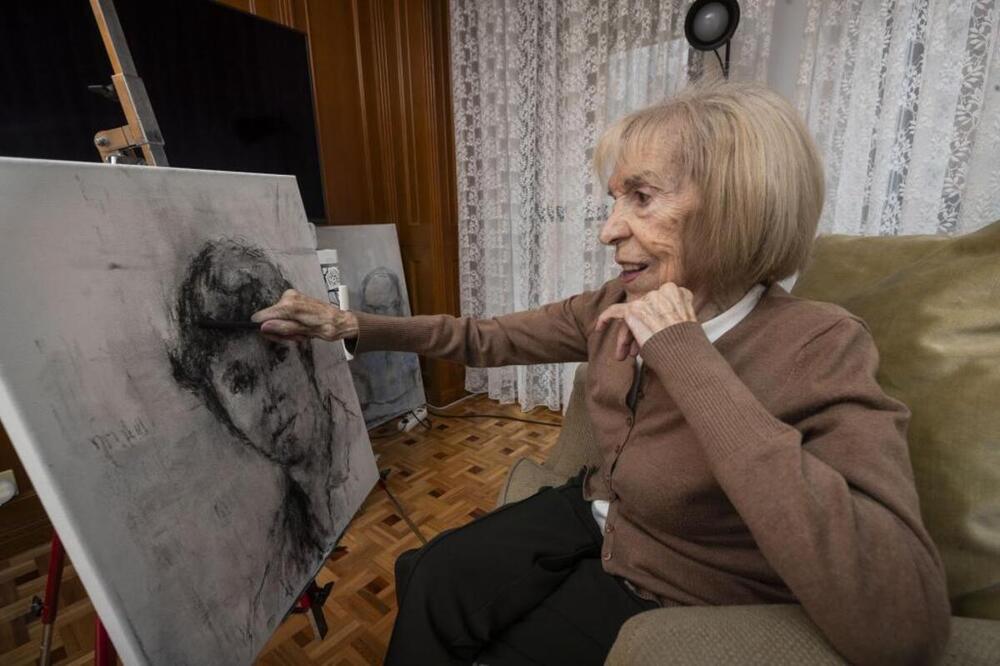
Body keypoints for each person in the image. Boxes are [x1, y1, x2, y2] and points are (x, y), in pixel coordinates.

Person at [252, 82, 951, 665]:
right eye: (613, 200)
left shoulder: (820, 342)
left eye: (640, 197)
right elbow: (482, 339)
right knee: (432, 575)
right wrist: (356, 328)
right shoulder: (615, 302)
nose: (608, 230)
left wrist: (685, 353)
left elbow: (903, 622)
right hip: (592, 513)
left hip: (678, 579)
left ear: (737, 201)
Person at [169, 239, 353, 636]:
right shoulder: (282, 549)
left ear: (304, 351)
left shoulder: (351, 459)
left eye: (277, 356)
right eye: (241, 382)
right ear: (221, 409)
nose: (272, 397)